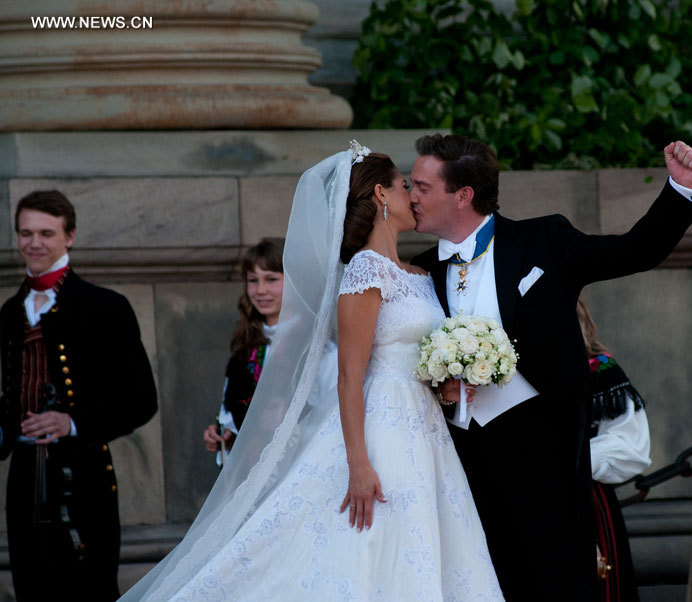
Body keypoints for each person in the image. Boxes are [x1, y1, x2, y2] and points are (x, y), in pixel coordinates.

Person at [122, 143, 503, 600]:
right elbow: (349, 375)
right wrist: (359, 464)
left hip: (423, 430)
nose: (414, 196)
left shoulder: (417, 273)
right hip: (380, 429)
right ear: (381, 195)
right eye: (406, 186)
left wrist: (447, 382)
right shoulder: (365, 270)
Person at [409, 133, 692, 600]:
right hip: (459, 461)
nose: (411, 197)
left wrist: (680, 189)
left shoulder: (543, 240)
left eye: (422, 188)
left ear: (463, 195)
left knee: (556, 585)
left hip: (544, 454)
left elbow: (634, 251)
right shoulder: (419, 271)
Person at [0, 190, 158, 601]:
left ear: (69, 237)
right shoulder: (9, 314)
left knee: (88, 589)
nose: (34, 243)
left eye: (46, 233)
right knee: (31, 588)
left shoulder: (105, 307)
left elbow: (141, 399)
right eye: (26, 233)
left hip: (83, 479)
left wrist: (72, 421)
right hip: (24, 478)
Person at [577, 296, 650, 601]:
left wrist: (570, 460)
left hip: (584, 498)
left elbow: (631, 447)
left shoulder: (599, 369)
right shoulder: (502, 366)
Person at [202, 238, 285, 461]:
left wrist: (289, 415)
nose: (260, 290)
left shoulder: (317, 346)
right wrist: (226, 437)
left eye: (271, 279)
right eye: (253, 280)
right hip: (253, 466)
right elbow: (230, 415)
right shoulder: (244, 351)